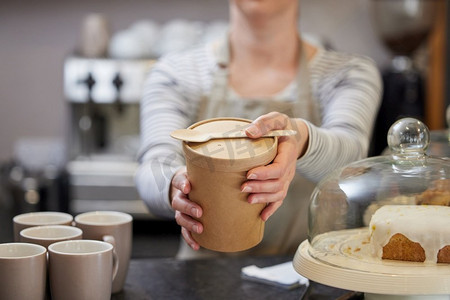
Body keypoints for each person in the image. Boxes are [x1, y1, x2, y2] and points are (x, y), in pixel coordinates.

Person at [136, 0, 382, 259]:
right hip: (203, 279)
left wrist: (300, 139)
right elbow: (153, 165)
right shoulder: (176, 73)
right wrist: (174, 186)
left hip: (308, 274)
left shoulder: (348, 72)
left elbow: (351, 156)